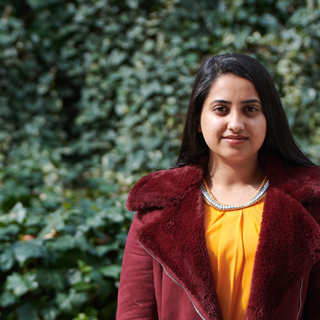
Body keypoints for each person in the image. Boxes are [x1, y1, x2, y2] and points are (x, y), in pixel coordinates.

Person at [116, 53, 320, 320]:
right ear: (198, 120)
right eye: (221, 109)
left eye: (250, 109)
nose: (235, 124)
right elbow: (135, 312)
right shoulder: (158, 207)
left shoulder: (309, 203)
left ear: (268, 118)